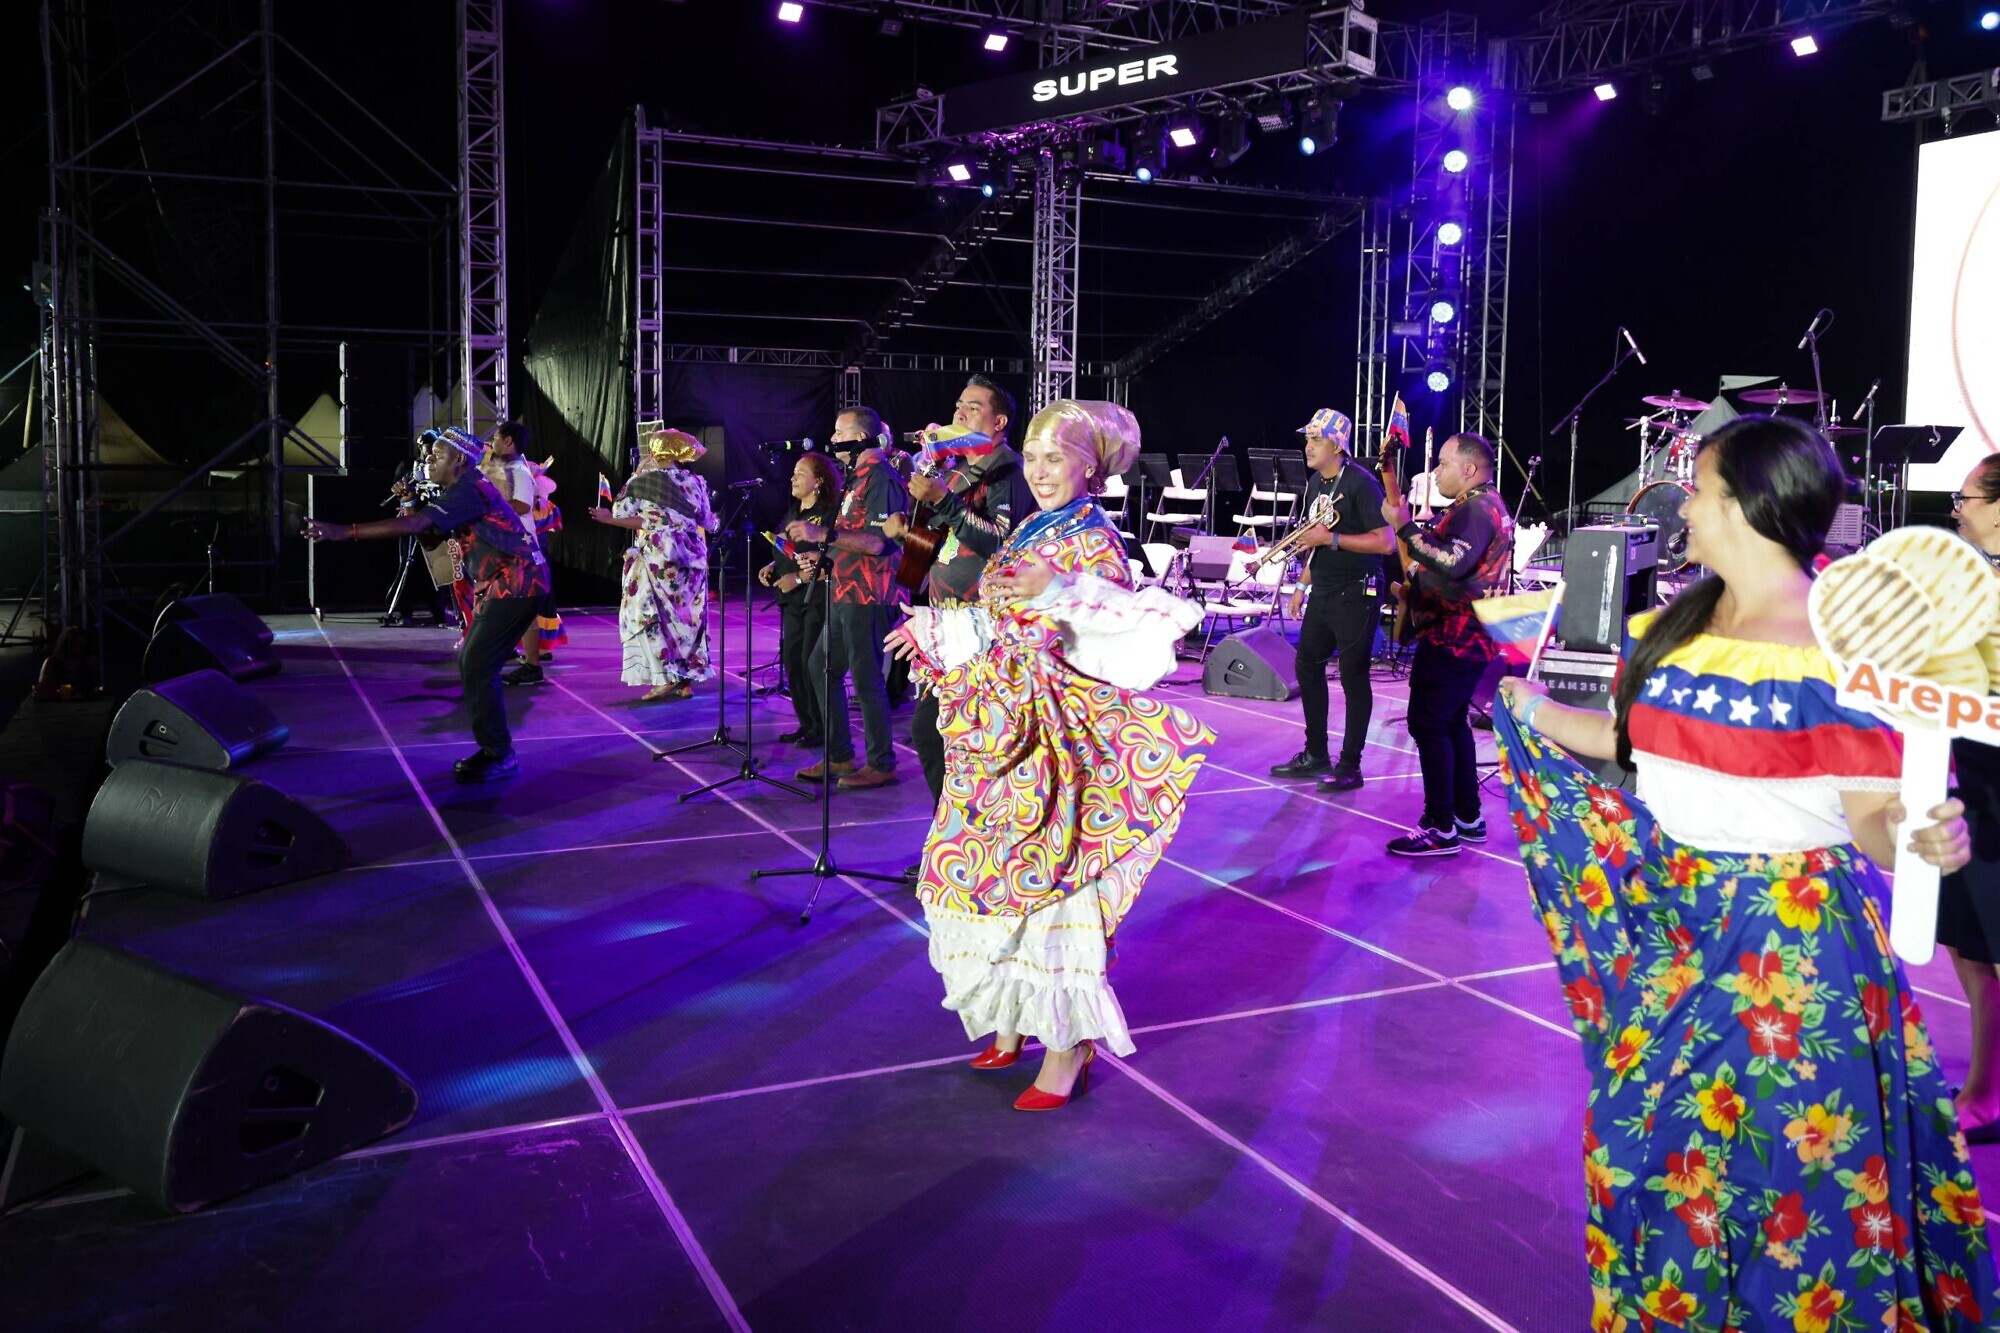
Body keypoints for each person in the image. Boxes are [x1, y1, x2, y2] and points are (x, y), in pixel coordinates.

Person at [1493, 415, 1997, 1332]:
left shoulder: (1845, 644)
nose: (1681, 507)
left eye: (1697, 489)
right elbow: (1630, 744)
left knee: (1790, 1186)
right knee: (1646, 1155)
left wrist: (1920, 837)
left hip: (1791, 957)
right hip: (1673, 934)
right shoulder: (1680, 624)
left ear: (1746, 505)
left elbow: (1876, 821)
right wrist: (1531, 708)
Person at [887, 400, 1212, 1111]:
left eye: (1054, 457)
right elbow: (1002, 616)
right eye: (1032, 457)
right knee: (985, 873)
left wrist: (1059, 588)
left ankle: (1067, 1047)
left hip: (1054, 744)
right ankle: (1012, 1018)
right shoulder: (1035, 525)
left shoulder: (1095, 538)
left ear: (1089, 466)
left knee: (1053, 889)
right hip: (999, 732)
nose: (1038, 470)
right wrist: (938, 633)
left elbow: (1120, 625)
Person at [303, 427, 548, 783]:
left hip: (518, 581)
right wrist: (409, 503)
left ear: (459, 460)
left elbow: (418, 525)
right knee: (475, 664)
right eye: (429, 455)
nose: (429, 460)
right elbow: (430, 536)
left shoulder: (469, 488)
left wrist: (346, 531)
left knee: (476, 665)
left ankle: (499, 753)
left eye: (438, 455)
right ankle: (497, 750)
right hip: (505, 581)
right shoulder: (461, 489)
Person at [884, 375, 1031, 861]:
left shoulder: (1006, 470)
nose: (960, 413)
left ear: (999, 421)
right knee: (935, 734)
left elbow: (1000, 541)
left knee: (948, 736)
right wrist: (909, 533)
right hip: (945, 625)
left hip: (981, 628)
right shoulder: (959, 471)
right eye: (959, 405)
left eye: (973, 406)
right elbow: (946, 543)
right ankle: (954, 843)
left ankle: (964, 847)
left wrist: (942, 502)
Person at [1381, 432, 1512, 856]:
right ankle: (1467, 816)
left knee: (1429, 723)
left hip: (1455, 636)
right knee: (1451, 721)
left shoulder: (1478, 509)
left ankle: (1440, 826)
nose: (1435, 472)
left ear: (1469, 469)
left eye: (1442, 463)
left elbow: (1454, 562)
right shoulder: (1483, 504)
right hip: (1467, 634)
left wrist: (1404, 527)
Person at [1268, 407, 1394, 791]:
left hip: (1356, 591)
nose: (1308, 446)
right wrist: (1301, 585)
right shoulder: (1315, 483)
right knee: (1307, 666)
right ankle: (1316, 754)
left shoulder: (1361, 483)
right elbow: (1314, 540)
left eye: (1316, 439)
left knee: (1354, 677)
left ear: (1337, 445)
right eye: (1307, 439)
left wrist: (1333, 539)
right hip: (1323, 590)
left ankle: (1351, 765)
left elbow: (1386, 542)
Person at [787, 406, 907, 790]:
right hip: (844, 589)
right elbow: (850, 538)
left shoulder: (882, 479)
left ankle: (881, 763)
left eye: (840, 433)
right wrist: (823, 558)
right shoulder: (855, 478)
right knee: (821, 667)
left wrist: (822, 535)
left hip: (870, 594)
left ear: (859, 437)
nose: (833, 439)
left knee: (867, 680)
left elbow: (878, 542)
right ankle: (840, 755)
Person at [1939, 453, 2000, 1143]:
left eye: (1967, 498)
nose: (1956, 509)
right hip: (1973, 780)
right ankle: (1987, 1087)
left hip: (1993, 786)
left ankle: (1987, 1097)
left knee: (1984, 944)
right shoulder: (1976, 579)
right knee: (1968, 943)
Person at [589, 427, 718, 702]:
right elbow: (707, 521)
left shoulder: (643, 482)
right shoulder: (694, 482)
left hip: (659, 556)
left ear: (654, 452)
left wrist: (636, 475)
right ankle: (685, 680)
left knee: (647, 613)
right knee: (687, 617)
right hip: (691, 556)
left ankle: (663, 677)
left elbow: (621, 511)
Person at [759, 450, 840, 747]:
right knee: (793, 663)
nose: (793, 478)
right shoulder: (794, 512)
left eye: (801, 474)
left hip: (816, 599)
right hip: (792, 602)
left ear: (818, 481)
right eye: (793, 473)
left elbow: (833, 558)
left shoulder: (828, 515)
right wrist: (773, 565)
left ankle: (823, 727)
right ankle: (807, 724)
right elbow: (789, 549)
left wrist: (798, 578)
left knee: (811, 664)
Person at [486, 421, 565, 686]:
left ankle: (532, 664)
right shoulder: (506, 468)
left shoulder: (519, 471)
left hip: (520, 547)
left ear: (509, 441)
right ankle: (511, 652)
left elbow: (521, 505)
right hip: (507, 545)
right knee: (506, 604)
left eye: (496, 438)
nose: (493, 443)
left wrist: (488, 505)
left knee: (523, 606)